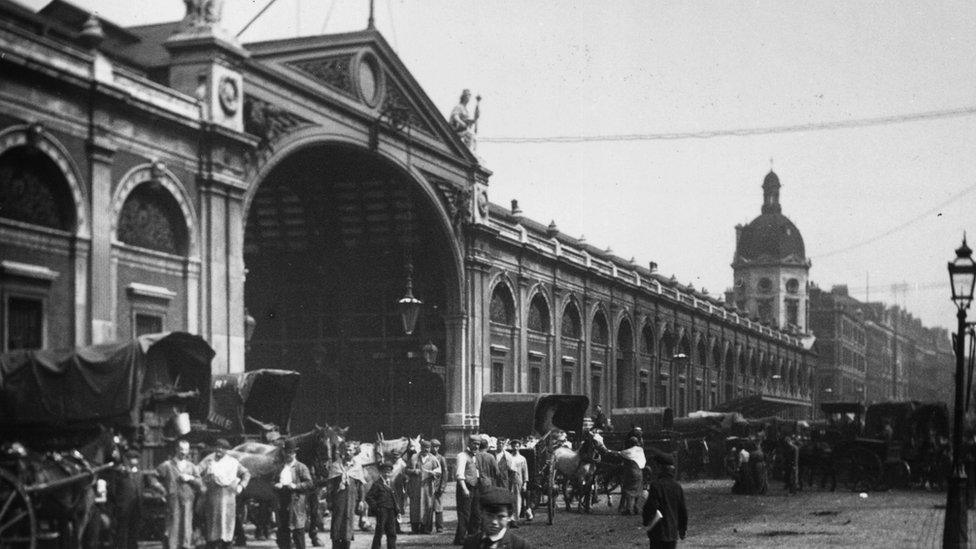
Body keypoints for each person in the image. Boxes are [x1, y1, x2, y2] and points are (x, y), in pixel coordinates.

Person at [202, 439, 250, 549]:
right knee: (213, 528)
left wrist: (241, 485)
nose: (219, 449)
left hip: (228, 500)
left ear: (227, 450)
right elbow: (197, 471)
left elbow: (246, 473)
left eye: (222, 447)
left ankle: (227, 543)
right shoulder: (209, 461)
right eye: (217, 447)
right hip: (212, 500)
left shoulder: (233, 462)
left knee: (227, 527)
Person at [155, 439, 202, 549]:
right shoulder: (167, 465)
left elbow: (200, 483)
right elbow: (153, 476)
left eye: (186, 450)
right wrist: (161, 489)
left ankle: (186, 546)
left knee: (186, 524)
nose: (184, 452)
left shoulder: (191, 466)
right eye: (181, 450)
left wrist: (190, 478)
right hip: (173, 500)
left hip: (187, 500)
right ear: (176, 449)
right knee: (173, 525)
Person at [461, 487, 533, 549]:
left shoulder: (520, 546)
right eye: (489, 515)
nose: (494, 522)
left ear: (510, 517)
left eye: (501, 517)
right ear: (481, 514)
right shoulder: (470, 544)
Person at [110, 449, 154, 549]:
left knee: (134, 532)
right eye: (132, 458)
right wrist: (117, 503)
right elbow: (113, 490)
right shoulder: (120, 473)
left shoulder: (139, 473)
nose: (134, 461)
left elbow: (142, 488)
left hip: (136, 507)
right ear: (127, 460)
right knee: (122, 533)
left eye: (136, 458)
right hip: (123, 508)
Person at [275, 439, 314, 549]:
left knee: (298, 532)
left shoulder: (301, 467)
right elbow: (273, 481)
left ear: (295, 453)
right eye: (286, 452)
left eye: (291, 452)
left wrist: (296, 486)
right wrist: (276, 485)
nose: (288, 455)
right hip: (282, 503)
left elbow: (310, 483)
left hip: (296, 504)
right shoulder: (280, 467)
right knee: (283, 532)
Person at [642, 454, 687, 549]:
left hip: (658, 531)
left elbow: (651, 506)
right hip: (672, 532)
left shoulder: (656, 485)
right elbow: (682, 510)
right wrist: (682, 529)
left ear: (660, 468)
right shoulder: (677, 486)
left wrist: (646, 521)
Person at [326, 442, 366, 549]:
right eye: (346, 450)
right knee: (337, 523)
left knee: (348, 523)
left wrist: (361, 500)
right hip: (338, 500)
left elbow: (361, 485)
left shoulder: (357, 467)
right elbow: (330, 486)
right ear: (342, 451)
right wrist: (329, 500)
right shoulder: (335, 466)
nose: (348, 452)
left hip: (351, 500)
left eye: (350, 450)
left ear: (354, 452)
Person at [405, 439, 441, 534]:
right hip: (415, 487)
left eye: (428, 448)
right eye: (424, 448)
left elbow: (439, 473)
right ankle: (415, 528)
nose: (426, 450)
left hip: (427, 487)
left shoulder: (433, 459)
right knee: (415, 507)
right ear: (421, 448)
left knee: (428, 506)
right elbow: (406, 470)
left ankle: (426, 528)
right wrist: (413, 471)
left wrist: (434, 474)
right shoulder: (414, 457)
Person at [453, 435, 481, 545]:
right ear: (469, 443)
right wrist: (464, 489)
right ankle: (460, 539)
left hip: (475, 487)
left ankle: (472, 537)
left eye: (478, 444)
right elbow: (459, 474)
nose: (476, 446)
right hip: (465, 486)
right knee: (464, 514)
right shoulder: (462, 456)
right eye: (474, 443)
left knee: (476, 514)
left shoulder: (475, 456)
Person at [365, 462, 400, 549]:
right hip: (382, 511)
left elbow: (395, 497)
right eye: (385, 472)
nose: (387, 474)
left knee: (392, 532)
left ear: (391, 473)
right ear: (381, 472)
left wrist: (397, 509)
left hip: (391, 511)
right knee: (379, 532)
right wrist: (376, 508)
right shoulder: (377, 484)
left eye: (389, 472)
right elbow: (369, 497)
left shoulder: (391, 484)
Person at [503, 439, 529, 526]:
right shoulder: (508, 457)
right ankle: (509, 518)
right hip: (509, 480)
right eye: (514, 446)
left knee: (517, 499)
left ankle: (515, 519)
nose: (515, 448)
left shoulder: (522, 459)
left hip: (518, 480)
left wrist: (525, 483)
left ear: (519, 447)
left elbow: (525, 472)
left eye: (517, 446)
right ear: (511, 447)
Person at [429, 439, 448, 533]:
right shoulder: (427, 457)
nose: (434, 449)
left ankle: (439, 526)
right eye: (433, 446)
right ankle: (428, 527)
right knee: (428, 507)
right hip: (428, 486)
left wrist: (442, 486)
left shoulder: (441, 458)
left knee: (438, 507)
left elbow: (445, 473)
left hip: (438, 486)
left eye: (436, 447)